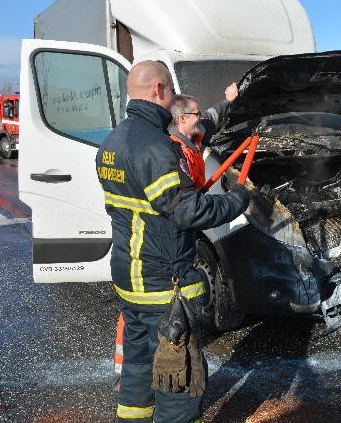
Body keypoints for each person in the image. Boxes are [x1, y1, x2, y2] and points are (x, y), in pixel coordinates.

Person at [96, 60, 250, 423]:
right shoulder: (154, 147)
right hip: (164, 283)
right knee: (178, 376)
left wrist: (227, 104)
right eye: (170, 89)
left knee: (138, 367)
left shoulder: (112, 142)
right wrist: (237, 200)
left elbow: (148, 208)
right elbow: (186, 212)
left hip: (130, 277)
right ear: (158, 90)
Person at [168, 83, 238, 189]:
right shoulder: (175, 156)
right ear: (182, 118)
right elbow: (187, 200)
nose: (200, 118)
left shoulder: (195, 131)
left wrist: (228, 100)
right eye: (197, 114)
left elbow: (211, 117)